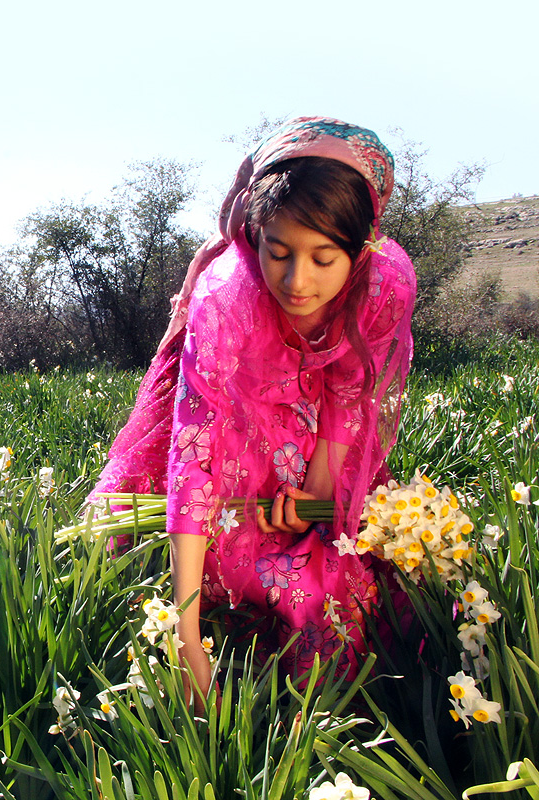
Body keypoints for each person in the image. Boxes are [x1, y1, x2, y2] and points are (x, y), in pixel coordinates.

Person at [91, 117, 416, 706]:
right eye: (279, 252)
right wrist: (186, 637)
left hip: (317, 454)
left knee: (379, 584)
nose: (297, 281)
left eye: (324, 258)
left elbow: (348, 392)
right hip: (230, 468)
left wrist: (314, 503)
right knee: (294, 587)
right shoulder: (226, 299)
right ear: (254, 235)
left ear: (361, 249)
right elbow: (194, 459)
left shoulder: (380, 286)